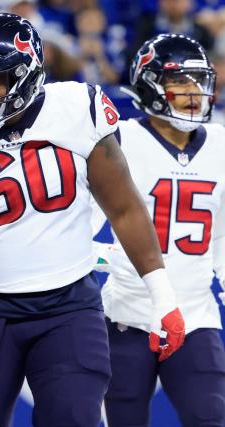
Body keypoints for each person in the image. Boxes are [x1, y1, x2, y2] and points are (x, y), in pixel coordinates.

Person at [0, 13, 186, 427]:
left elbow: (124, 208)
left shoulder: (77, 110)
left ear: (26, 75)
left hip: (67, 307)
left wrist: (162, 296)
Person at [93, 34, 225, 427]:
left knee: (210, 418)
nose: (193, 93)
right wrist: (109, 260)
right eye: (180, 82)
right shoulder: (121, 141)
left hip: (196, 314)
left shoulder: (220, 144)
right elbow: (75, 229)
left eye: (198, 82)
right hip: (127, 314)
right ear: (150, 86)